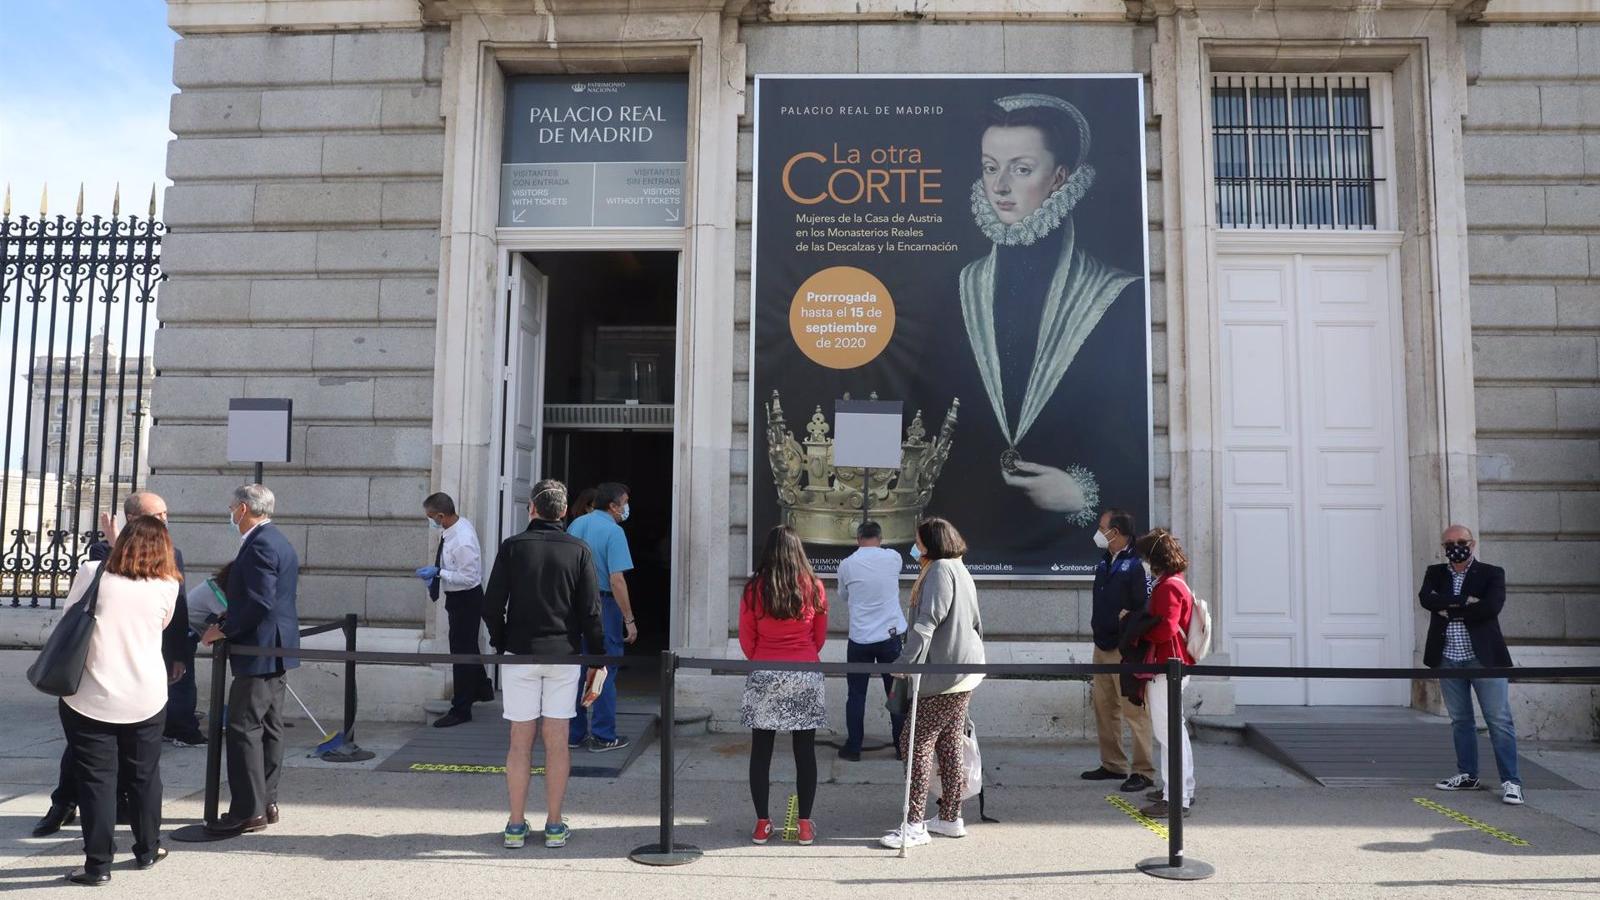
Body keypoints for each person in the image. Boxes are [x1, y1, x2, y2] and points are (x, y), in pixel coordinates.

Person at [954, 93, 1143, 537]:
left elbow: (1130, 433)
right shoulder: (964, 288)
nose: (999, 186)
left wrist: (1083, 493)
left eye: (1020, 169)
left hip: (1067, 539)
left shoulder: (1117, 297)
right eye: (989, 167)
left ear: (1059, 178)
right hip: (974, 527)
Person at [32, 491, 192, 839]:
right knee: (85, 755)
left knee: (132, 766)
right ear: (133, 519)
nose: (163, 521)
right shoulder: (100, 555)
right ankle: (64, 803)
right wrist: (118, 543)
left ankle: (111, 838)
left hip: (141, 670)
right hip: (96, 674)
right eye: (156, 516)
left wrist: (179, 655)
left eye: (165, 514)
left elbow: (176, 614)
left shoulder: (171, 558)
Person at [482, 479, 607, 850]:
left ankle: (516, 824)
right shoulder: (579, 549)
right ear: (565, 512)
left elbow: (491, 606)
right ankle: (554, 824)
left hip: (520, 652)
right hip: (563, 655)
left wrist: (502, 641)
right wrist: (597, 660)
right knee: (557, 742)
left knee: (519, 741)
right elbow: (590, 612)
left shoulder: (512, 548)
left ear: (532, 509)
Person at [55, 515, 180, 885]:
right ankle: (146, 849)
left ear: (121, 540)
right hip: (146, 695)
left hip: (89, 695)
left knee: (96, 780)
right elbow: (162, 625)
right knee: (144, 776)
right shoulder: (168, 584)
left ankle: (97, 866)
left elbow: (68, 618)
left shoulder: (93, 572)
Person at [201, 484, 300, 836]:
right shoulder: (277, 540)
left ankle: (248, 810)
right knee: (269, 727)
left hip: (258, 647)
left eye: (232, 507)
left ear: (243, 509)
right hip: (275, 645)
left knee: (244, 728)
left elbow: (260, 602)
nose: (230, 512)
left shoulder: (259, 544)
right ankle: (266, 801)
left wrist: (224, 629)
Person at [880, 518, 985, 849]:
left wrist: (904, 662)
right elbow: (975, 623)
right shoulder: (959, 568)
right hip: (962, 670)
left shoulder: (939, 570)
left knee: (915, 742)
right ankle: (950, 817)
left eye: (918, 541)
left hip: (942, 672)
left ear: (930, 543)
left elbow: (926, 623)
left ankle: (914, 824)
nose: (915, 547)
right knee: (949, 743)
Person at [739, 525, 828, 846]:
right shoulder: (814, 586)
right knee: (805, 752)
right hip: (804, 671)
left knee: (761, 751)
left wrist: (762, 659)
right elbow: (819, 636)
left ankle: (762, 824)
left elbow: (747, 637)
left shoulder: (754, 589)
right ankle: (804, 826)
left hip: (764, 670)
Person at [1421, 525, 1522, 805]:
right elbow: (1426, 600)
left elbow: (1491, 607)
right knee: (1461, 720)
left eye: (1461, 541)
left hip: (1484, 658)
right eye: (1449, 543)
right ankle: (1467, 774)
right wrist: (1464, 601)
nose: (1456, 546)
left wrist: (1448, 609)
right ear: (1443, 547)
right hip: (1447, 656)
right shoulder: (1435, 573)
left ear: (1472, 543)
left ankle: (1511, 782)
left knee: (1498, 720)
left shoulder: (1492, 573)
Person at [1082, 509, 1155, 792]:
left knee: (1134, 712)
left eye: (1103, 528)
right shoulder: (1105, 561)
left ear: (1117, 531)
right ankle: (1113, 764)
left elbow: (1146, 608)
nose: (1099, 533)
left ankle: (1144, 770)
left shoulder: (1138, 564)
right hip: (1101, 645)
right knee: (1104, 708)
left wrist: (1128, 630)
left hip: (1125, 650)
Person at [566, 481, 638, 752]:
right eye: (625, 502)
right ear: (613, 505)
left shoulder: (576, 525)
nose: (626, 508)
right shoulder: (614, 531)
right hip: (603, 605)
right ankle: (603, 734)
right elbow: (617, 579)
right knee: (604, 669)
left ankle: (574, 733)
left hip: (575, 605)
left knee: (578, 668)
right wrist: (629, 619)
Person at [417, 492, 494, 728]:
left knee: (460, 652)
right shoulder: (452, 528)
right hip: (458, 597)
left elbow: (470, 577)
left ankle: (461, 709)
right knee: (467, 646)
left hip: (466, 599)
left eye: (431, 517)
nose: (430, 521)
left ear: (442, 515)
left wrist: (439, 573)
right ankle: (481, 688)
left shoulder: (462, 538)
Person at [1133, 528, 1195, 819]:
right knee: (1175, 730)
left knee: (1167, 732)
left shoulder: (1168, 586)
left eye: (1146, 557)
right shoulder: (1176, 582)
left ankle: (1176, 797)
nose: (1144, 562)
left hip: (1166, 664)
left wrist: (1139, 634)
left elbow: (1167, 627)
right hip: (1174, 663)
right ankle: (1182, 789)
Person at [835, 520, 907, 762]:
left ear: (857, 539)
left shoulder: (846, 565)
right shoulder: (893, 558)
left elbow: (844, 595)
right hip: (891, 637)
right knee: (895, 694)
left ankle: (854, 747)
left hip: (860, 639)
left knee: (856, 695)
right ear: (880, 538)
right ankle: (901, 747)